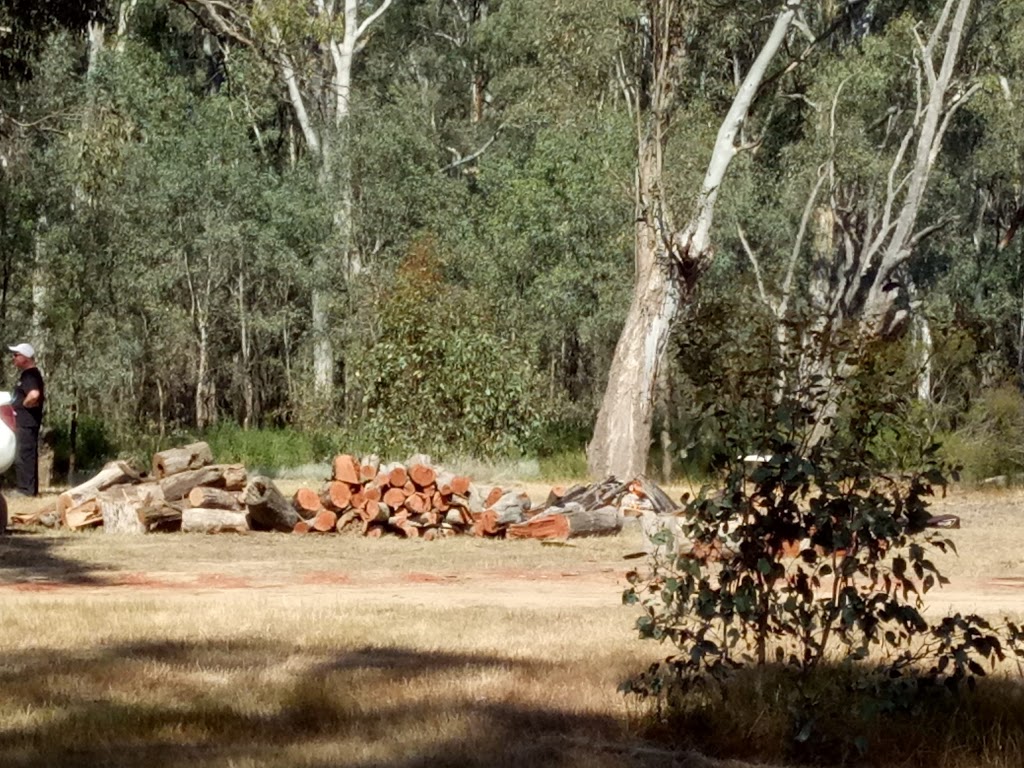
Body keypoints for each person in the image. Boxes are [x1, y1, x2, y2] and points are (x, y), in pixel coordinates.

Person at [9, 342, 44, 497]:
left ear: (26, 357)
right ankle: (29, 488)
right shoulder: (29, 374)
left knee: (25, 455)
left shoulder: (30, 375)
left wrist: (24, 404)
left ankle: (25, 490)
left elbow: (34, 394)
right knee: (26, 454)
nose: (13, 358)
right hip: (25, 423)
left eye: (16, 355)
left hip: (27, 422)